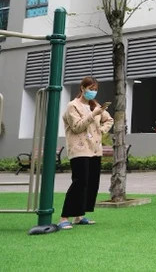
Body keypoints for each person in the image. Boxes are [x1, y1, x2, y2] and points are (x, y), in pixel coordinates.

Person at [57, 76, 113, 230]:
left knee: (91, 183)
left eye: (95, 90)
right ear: (82, 88)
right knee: (79, 182)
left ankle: (79, 215)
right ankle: (64, 217)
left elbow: (109, 120)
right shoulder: (72, 106)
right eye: (90, 89)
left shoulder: (95, 105)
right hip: (79, 150)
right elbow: (76, 127)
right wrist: (93, 114)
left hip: (95, 150)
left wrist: (100, 131)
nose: (93, 93)